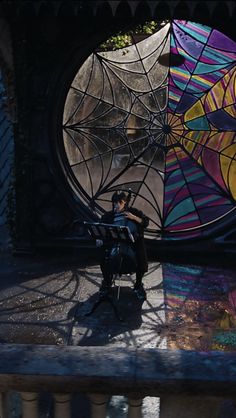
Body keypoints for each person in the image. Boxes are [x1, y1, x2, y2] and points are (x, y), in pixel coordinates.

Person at [97, 191, 149, 301]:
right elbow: (101, 226)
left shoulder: (133, 212)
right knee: (103, 254)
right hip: (115, 244)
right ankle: (107, 283)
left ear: (124, 203)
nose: (115, 206)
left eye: (118, 203)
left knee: (141, 252)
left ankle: (138, 285)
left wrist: (134, 218)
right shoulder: (109, 215)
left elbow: (145, 222)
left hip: (132, 245)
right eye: (114, 203)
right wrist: (99, 238)